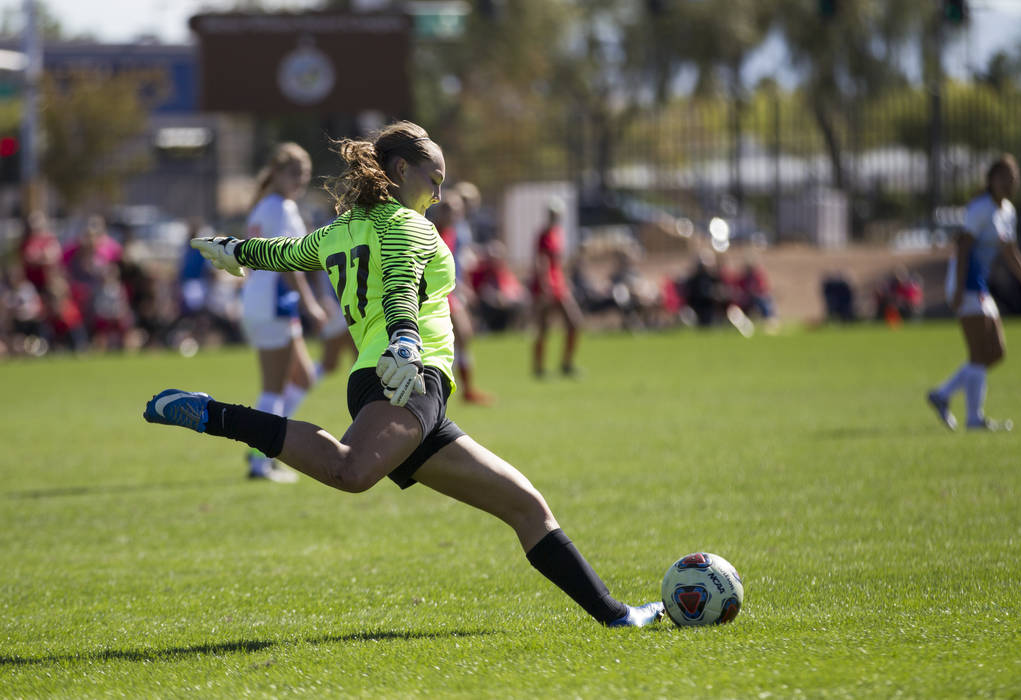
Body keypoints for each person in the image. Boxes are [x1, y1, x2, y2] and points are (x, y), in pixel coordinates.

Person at [144, 120, 663, 628]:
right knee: (349, 471)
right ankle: (214, 415)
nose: (437, 196)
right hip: (406, 377)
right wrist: (406, 340)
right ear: (399, 168)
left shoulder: (341, 229)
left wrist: (235, 251)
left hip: (399, 384)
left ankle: (617, 617)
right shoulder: (410, 226)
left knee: (526, 506)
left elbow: (286, 254)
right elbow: (399, 285)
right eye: (433, 180)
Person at [927, 154, 1021, 431]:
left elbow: (1010, 252)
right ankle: (974, 418)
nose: (1008, 181)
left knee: (996, 351)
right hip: (966, 283)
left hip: (980, 285)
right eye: (1003, 175)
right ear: (991, 179)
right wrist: (957, 290)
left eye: (1012, 176)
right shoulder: (980, 209)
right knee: (980, 351)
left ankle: (942, 394)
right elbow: (964, 247)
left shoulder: (1007, 212)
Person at [239, 142, 329, 482]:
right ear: (275, 172)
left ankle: (264, 446)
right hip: (272, 303)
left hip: (265, 302)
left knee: (303, 378)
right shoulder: (280, 208)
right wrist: (311, 304)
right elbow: (288, 263)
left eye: (304, 175)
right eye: (294, 173)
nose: (299, 181)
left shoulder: (266, 206)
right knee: (273, 388)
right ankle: (261, 460)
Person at [431, 194, 493, 403]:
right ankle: (447, 389)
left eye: (458, 211)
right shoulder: (432, 232)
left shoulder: (453, 233)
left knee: (464, 335)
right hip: (434, 294)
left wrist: (463, 286)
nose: (456, 214)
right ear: (442, 211)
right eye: (451, 210)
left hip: (449, 292)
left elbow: (453, 266)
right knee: (455, 337)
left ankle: (465, 389)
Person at [531, 197, 583, 377]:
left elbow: (557, 262)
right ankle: (538, 367)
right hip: (548, 285)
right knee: (544, 327)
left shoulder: (557, 233)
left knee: (574, 322)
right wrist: (545, 284)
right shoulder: (544, 234)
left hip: (559, 284)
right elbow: (542, 261)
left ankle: (566, 364)